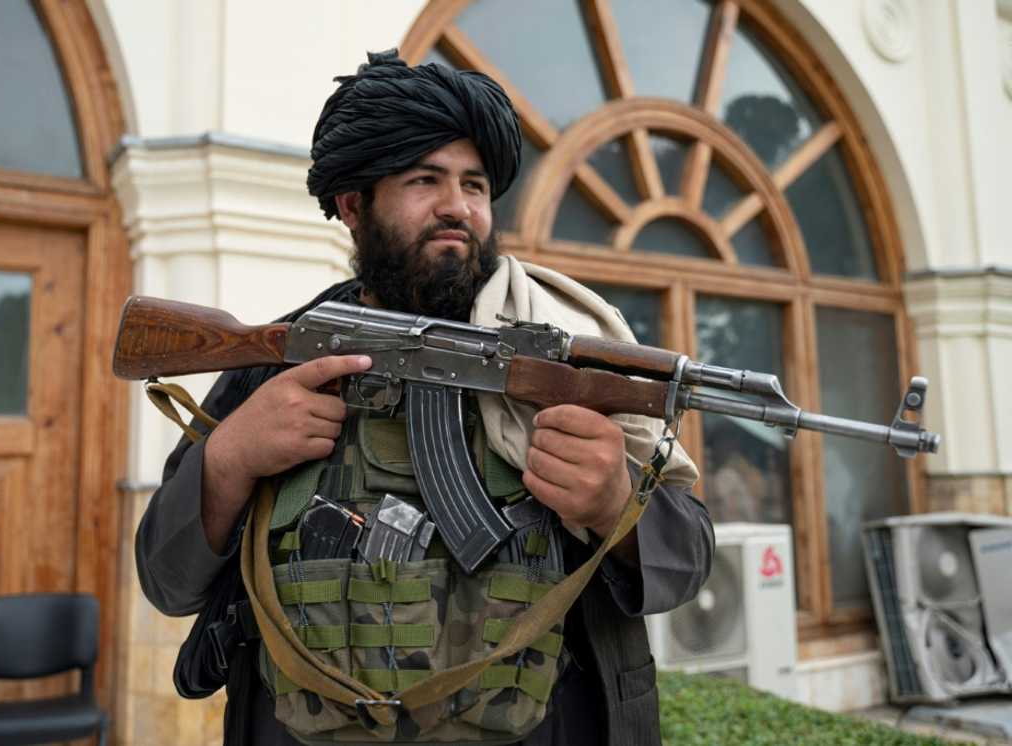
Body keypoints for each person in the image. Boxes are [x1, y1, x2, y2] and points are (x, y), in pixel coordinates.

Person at [136, 50, 713, 746]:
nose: (457, 206)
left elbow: (689, 562)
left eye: (474, 184)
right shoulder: (279, 365)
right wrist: (228, 460)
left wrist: (615, 503)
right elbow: (166, 582)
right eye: (424, 180)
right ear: (353, 205)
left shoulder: (567, 358)